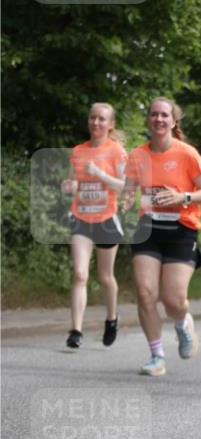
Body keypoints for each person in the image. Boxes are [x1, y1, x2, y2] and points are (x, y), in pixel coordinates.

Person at [122, 97, 201, 376]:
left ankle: (182, 322)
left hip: (181, 230)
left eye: (164, 115)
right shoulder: (137, 155)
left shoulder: (187, 154)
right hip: (148, 228)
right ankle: (156, 356)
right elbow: (129, 189)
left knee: (173, 299)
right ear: (148, 120)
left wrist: (182, 196)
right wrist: (124, 201)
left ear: (174, 122)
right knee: (145, 292)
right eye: (154, 115)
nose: (159, 119)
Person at [61, 103, 126, 349]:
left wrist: (99, 173)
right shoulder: (78, 151)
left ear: (110, 125)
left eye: (102, 119)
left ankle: (111, 318)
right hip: (81, 218)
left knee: (105, 276)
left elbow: (124, 186)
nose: (96, 123)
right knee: (79, 274)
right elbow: (74, 183)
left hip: (107, 219)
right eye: (93, 118)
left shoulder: (117, 151)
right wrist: (69, 187)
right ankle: (75, 330)